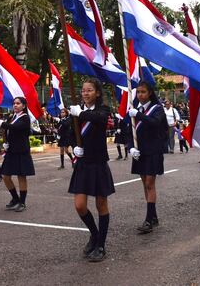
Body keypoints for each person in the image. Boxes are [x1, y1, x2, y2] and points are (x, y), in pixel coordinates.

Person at [68, 78, 115, 262]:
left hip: (98, 163)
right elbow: (70, 134)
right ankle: (94, 234)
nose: (85, 93)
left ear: (97, 93)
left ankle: (101, 245)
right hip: (83, 164)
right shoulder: (76, 111)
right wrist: (74, 146)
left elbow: (100, 120)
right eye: (83, 90)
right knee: (79, 205)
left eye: (89, 90)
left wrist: (81, 113)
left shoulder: (102, 110)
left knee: (101, 204)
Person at [127, 81, 167, 234]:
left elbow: (155, 123)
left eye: (143, 92)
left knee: (150, 183)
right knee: (145, 183)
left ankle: (149, 220)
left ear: (149, 93)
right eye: (138, 92)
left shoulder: (157, 109)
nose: (140, 95)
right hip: (140, 152)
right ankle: (154, 215)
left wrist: (138, 115)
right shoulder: (136, 110)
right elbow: (130, 132)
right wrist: (131, 147)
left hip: (153, 151)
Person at [0, 97, 34, 212]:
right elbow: (8, 131)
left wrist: (2, 124)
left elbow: (15, 128)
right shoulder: (12, 117)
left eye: (18, 103)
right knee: (5, 176)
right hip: (11, 150)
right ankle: (15, 198)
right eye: (14, 103)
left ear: (23, 106)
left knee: (21, 176)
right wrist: (6, 143)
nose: (15, 105)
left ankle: (22, 202)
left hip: (21, 151)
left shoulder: (25, 118)